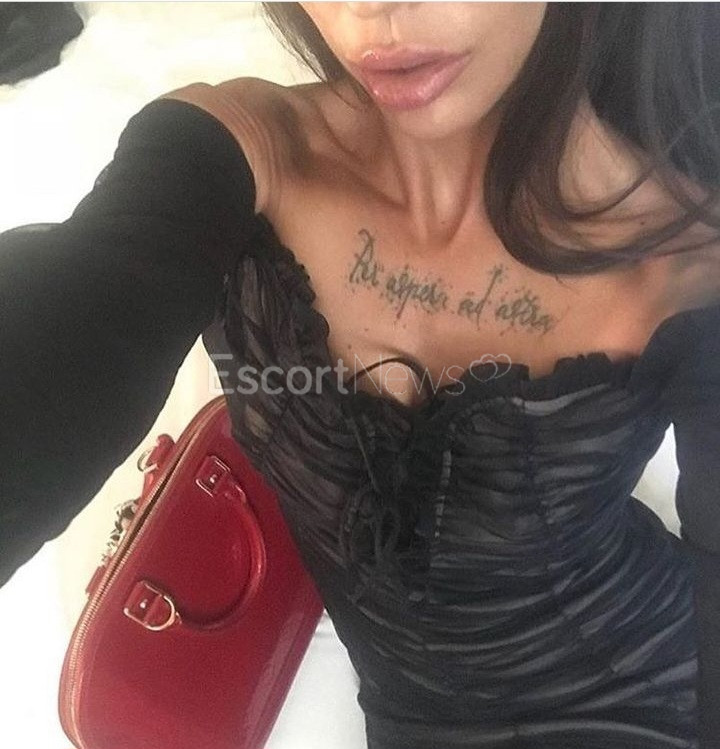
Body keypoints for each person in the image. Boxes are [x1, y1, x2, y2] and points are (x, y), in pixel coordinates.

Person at [1, 2, 719, 748]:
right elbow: (70, 330)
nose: (371, 8)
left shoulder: (690, 254)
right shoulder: (245, 155)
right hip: (403, 716)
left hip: (635, 691)